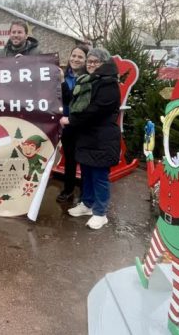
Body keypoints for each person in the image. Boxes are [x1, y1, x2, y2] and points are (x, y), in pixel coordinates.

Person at [59, 48, 120, 229]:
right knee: (86, 172)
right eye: (90, 61)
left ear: (104, 63)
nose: (91, 64)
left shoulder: (108, 84)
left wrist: (71, 120)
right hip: (86, 136)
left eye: (96, 61)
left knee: (99, 176)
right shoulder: (88, 80)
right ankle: (87, 204)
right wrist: (62, 82)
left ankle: (100, 213)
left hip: (102, 137)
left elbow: (95, 110)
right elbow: (72, 100)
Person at [57, 44, 90, 203]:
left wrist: (62, 82)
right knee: (69, 159)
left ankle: (85, 193)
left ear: (86, 60)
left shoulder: (87, 79)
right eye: (74, 55)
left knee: (83, 160)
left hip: (81, 124)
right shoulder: (64, 74)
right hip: (66, 124)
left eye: (80, 57)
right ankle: (68, 190)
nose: (76, 59)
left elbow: (72, 100)